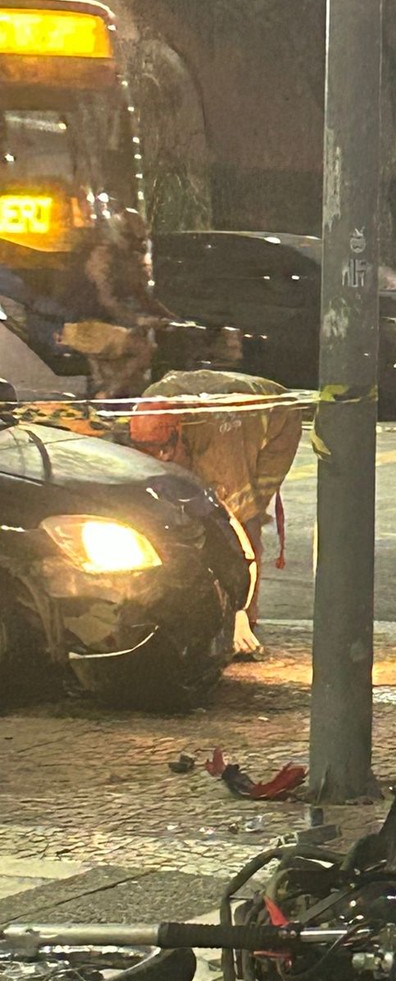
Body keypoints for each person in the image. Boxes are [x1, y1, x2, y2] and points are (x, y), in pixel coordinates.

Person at [130, 370, 303, 657]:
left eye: (165, 450)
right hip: (210, 410)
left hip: (275, 421)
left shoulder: (222, 445)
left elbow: (233, 526)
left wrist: (237, 611)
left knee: (243, 516)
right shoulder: (148, 407)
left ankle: (245, 613)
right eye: (150, 450)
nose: (161, 457)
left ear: (181, 433)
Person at [58, 209, 174, 399]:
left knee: (136, 374)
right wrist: (139, 320)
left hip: (108, 327)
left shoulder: (129, 258)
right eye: (132, 237)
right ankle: (105, 397)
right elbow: (107, 301)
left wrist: (173, 319)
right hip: (81, 326)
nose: (138, 243)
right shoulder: (102, 258)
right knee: (144, 348)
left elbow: (142, 296)